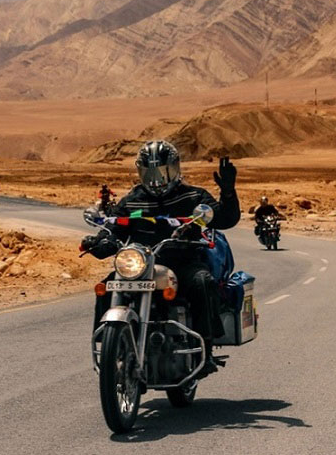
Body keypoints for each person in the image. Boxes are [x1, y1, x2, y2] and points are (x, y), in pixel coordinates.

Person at [81, 140, 239, 375]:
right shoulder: (132, 200)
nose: (157, 179)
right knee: (106, 286)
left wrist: (227, 193)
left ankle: (204, 348)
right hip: (140, 264)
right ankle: (109, 348)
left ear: (175, 169)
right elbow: (114, 227)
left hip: (182, 260)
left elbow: (225, 219)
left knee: (202, 282)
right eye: (150, 172)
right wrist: (101, 241)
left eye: (163, 172)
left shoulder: (193, 196)